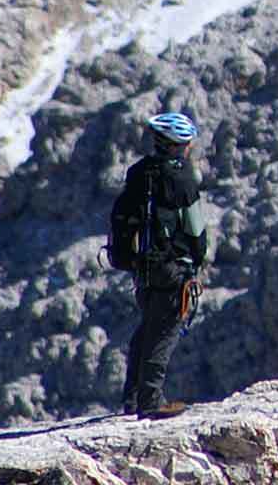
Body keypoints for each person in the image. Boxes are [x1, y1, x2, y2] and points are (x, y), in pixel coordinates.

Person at [107, 111, 214, 419]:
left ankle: (131, 399)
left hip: (142, 268)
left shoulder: (139, 173)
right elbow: (194, 229)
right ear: (180, 145)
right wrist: (196, 259)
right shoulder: (181, 178)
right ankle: (151, 401)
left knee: (146, 330)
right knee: (164, 332)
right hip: (172, 269)